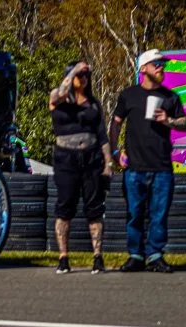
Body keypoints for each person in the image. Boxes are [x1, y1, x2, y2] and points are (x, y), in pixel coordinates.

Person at [109, 49, 186, 273]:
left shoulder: (171, 97)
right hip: (134, 167)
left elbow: (185, 123)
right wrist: (115, 152)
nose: (161, 67)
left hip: (162, 167)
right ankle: (135, 256)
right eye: (157, 63)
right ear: (143, 69)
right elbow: (115, 124)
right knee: (134, 213)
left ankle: (155, 256)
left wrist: (169, 120)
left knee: (159, 214)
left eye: (163, 64)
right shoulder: (128, 95)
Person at [49, 60, 114, 275]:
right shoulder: (58, 99)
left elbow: (102, 135)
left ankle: (97, 257)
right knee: (65, 207)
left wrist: (108, 162)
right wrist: (75, 69)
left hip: (91, 158)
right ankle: (63, 257)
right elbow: (59, 93)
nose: (83, 78)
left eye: (86, 75)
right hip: (66, 159)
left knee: (94, 207)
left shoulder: (93, 104)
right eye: (80, 75)